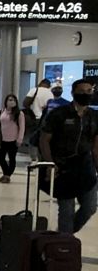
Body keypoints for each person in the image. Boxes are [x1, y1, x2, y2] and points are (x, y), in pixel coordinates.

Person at [39, 79, 98, 234]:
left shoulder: (94, 116)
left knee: (90, 206)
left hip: (85, 168)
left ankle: (66, 235)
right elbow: (44, 140)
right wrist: (50, 164)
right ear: (73, 93)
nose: (86, 94)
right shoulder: (59, 114)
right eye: (82, 91)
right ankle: (64, 244)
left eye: (89, 91)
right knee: (66, 210)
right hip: (63, 167)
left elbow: (96, 146)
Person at [0, 94, 25, 183]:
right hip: (2, 139)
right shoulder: (1, 111)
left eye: (13, 100)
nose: (11, 102)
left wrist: (19, 139)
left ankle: (7, 175)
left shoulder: (19, 114)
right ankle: (5, 174)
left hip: (13, 140)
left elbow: (22, 127)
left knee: (12, 158)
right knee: (0, 157)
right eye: (9, 100)